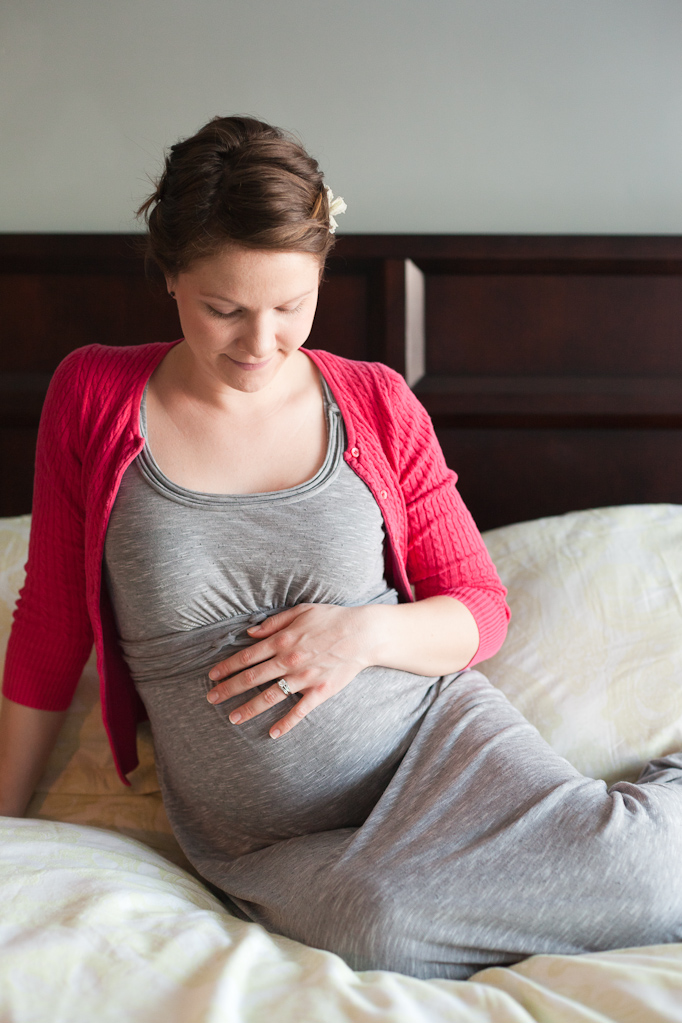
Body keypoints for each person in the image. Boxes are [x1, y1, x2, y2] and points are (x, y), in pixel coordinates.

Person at [2, 115, 682, 981]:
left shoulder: (376, 402)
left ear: (322, 271)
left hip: (440, 748)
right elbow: (52, 624)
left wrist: (359, 635)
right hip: (265, 834)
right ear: (170, 277)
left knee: (652, 873)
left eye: (291, 306)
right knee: (379, 931)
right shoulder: (92, 395)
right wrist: (7, 828)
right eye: (225, 309)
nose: (260, 344)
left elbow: (481, 606)